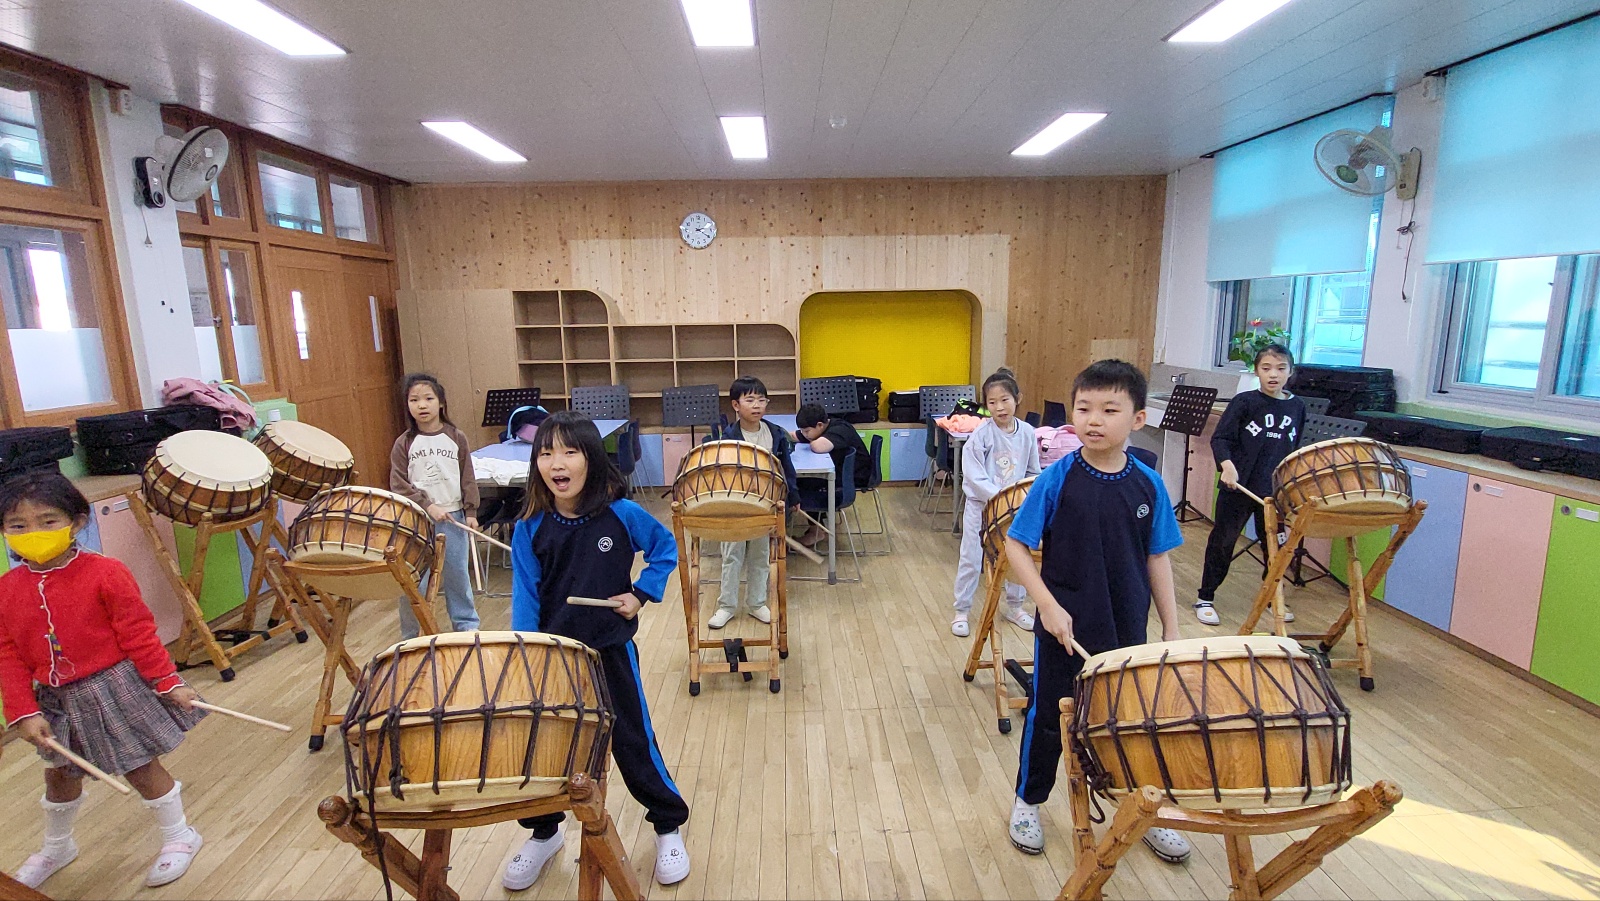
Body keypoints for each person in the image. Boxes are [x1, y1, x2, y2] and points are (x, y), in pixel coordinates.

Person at [1002, 360, 1193, 865]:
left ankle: (1142, 809)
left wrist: (1172, 629)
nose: (1094, 419)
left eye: (1110, 410)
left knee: (1132, 722)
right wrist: (1047, 606)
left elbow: (1158, 557)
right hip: (1063, 629)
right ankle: (1028, 802)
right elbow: (1016, 544)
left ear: (1137, 419)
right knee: (1049, 718)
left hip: (1127, 626)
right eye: (1084, 408)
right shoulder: (1057, 478)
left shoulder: (1149, 484)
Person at [503, 412, 690, 890]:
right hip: (554, 656)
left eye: (569, 452)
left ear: (591, 459)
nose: (556, 463)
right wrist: (526, 652)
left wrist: (641, 593)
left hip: (610, 651)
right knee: (544, 747)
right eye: (546, 453)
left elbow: (665, 547)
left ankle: (667, 825)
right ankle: (544, 833)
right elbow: (526, 596)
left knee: (633, 740)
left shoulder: (621, 513)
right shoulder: (529, 526)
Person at [0, 471, 207, 890]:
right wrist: (23, 711)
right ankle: (58, 847)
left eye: (48, 521)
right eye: (17, 525)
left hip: (113, 689)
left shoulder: (105, 572)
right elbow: (8, 655)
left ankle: (179, 835)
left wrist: (168, 682)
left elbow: (139, 634)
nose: (32, 533)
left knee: (140, 766)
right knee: (60, 774)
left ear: (77, 522)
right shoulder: (6, 589)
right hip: (55, 699)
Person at [1195, 344, 1307, 626]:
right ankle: (1205, 597)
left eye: (1280, 368)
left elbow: (1294, 448)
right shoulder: (1244, 402)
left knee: (1275, 548)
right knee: (1223, 542)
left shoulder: (1297, 407)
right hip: (1239, 487)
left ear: (1291, 372)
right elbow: (1221, 439)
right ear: (1256, 371)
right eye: (1266, 368)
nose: (1273, 374)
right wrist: (1227, 466)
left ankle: (1272, 597)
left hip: (1274, 493)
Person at [951, 368, 1041, 638]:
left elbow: (1032, 471)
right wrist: (1000, 498)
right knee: (971, 557)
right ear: (986, 406)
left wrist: (1022, 499)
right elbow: (974, 475)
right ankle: (961, 611)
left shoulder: (1027, 433)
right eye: (992, 402)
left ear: (1017, 399)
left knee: (1018, 558)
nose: (999, 407)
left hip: (1014, 511)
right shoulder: (981, 435)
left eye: (1005, 400)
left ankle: (1015, 607)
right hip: (981, 508)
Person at [389, 373, 481, 639]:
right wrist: (427, 505)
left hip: (453, 517)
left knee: (457, 576)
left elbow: (467, 477)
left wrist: (471, 511)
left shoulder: (456, 437)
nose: (422, 405)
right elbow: (398, 484)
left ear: (441, 402)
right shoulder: (404, 443)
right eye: (414, 400)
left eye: (428, 398)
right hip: (415, 520)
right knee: (413, 580)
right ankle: (412, 634)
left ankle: (466, 625)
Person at [710, 377, 799, 629]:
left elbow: (786, 467)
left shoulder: (775, 433)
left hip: (766, 504)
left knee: (761, 557)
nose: (757, 405)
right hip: (736, 505)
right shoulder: (729, 436)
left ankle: (757, 603)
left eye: (762, 400)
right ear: (736, 405)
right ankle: (726, 606)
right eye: (750, 400)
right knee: (732, 556)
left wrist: (793, 496)